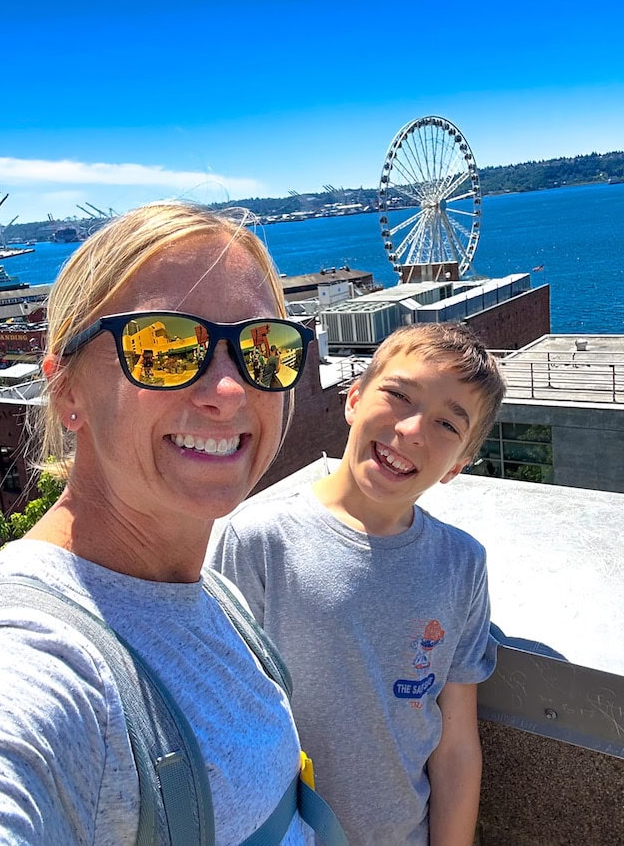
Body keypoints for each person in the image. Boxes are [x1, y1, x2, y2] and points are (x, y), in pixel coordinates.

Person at [0, 202, 318, 844]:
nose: (230, 390)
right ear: (67, 391)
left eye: (266, 348)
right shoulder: (38, 654)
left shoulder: (210, 588)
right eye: (164, 347)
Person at [210, 322, 507, 845]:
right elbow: (221, 721)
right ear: (353, 398)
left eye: (446, 425)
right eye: (398, 394)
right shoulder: (258, 541)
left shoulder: (462, 564)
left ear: (457, 465)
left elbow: (456, 742)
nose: (413, 430)